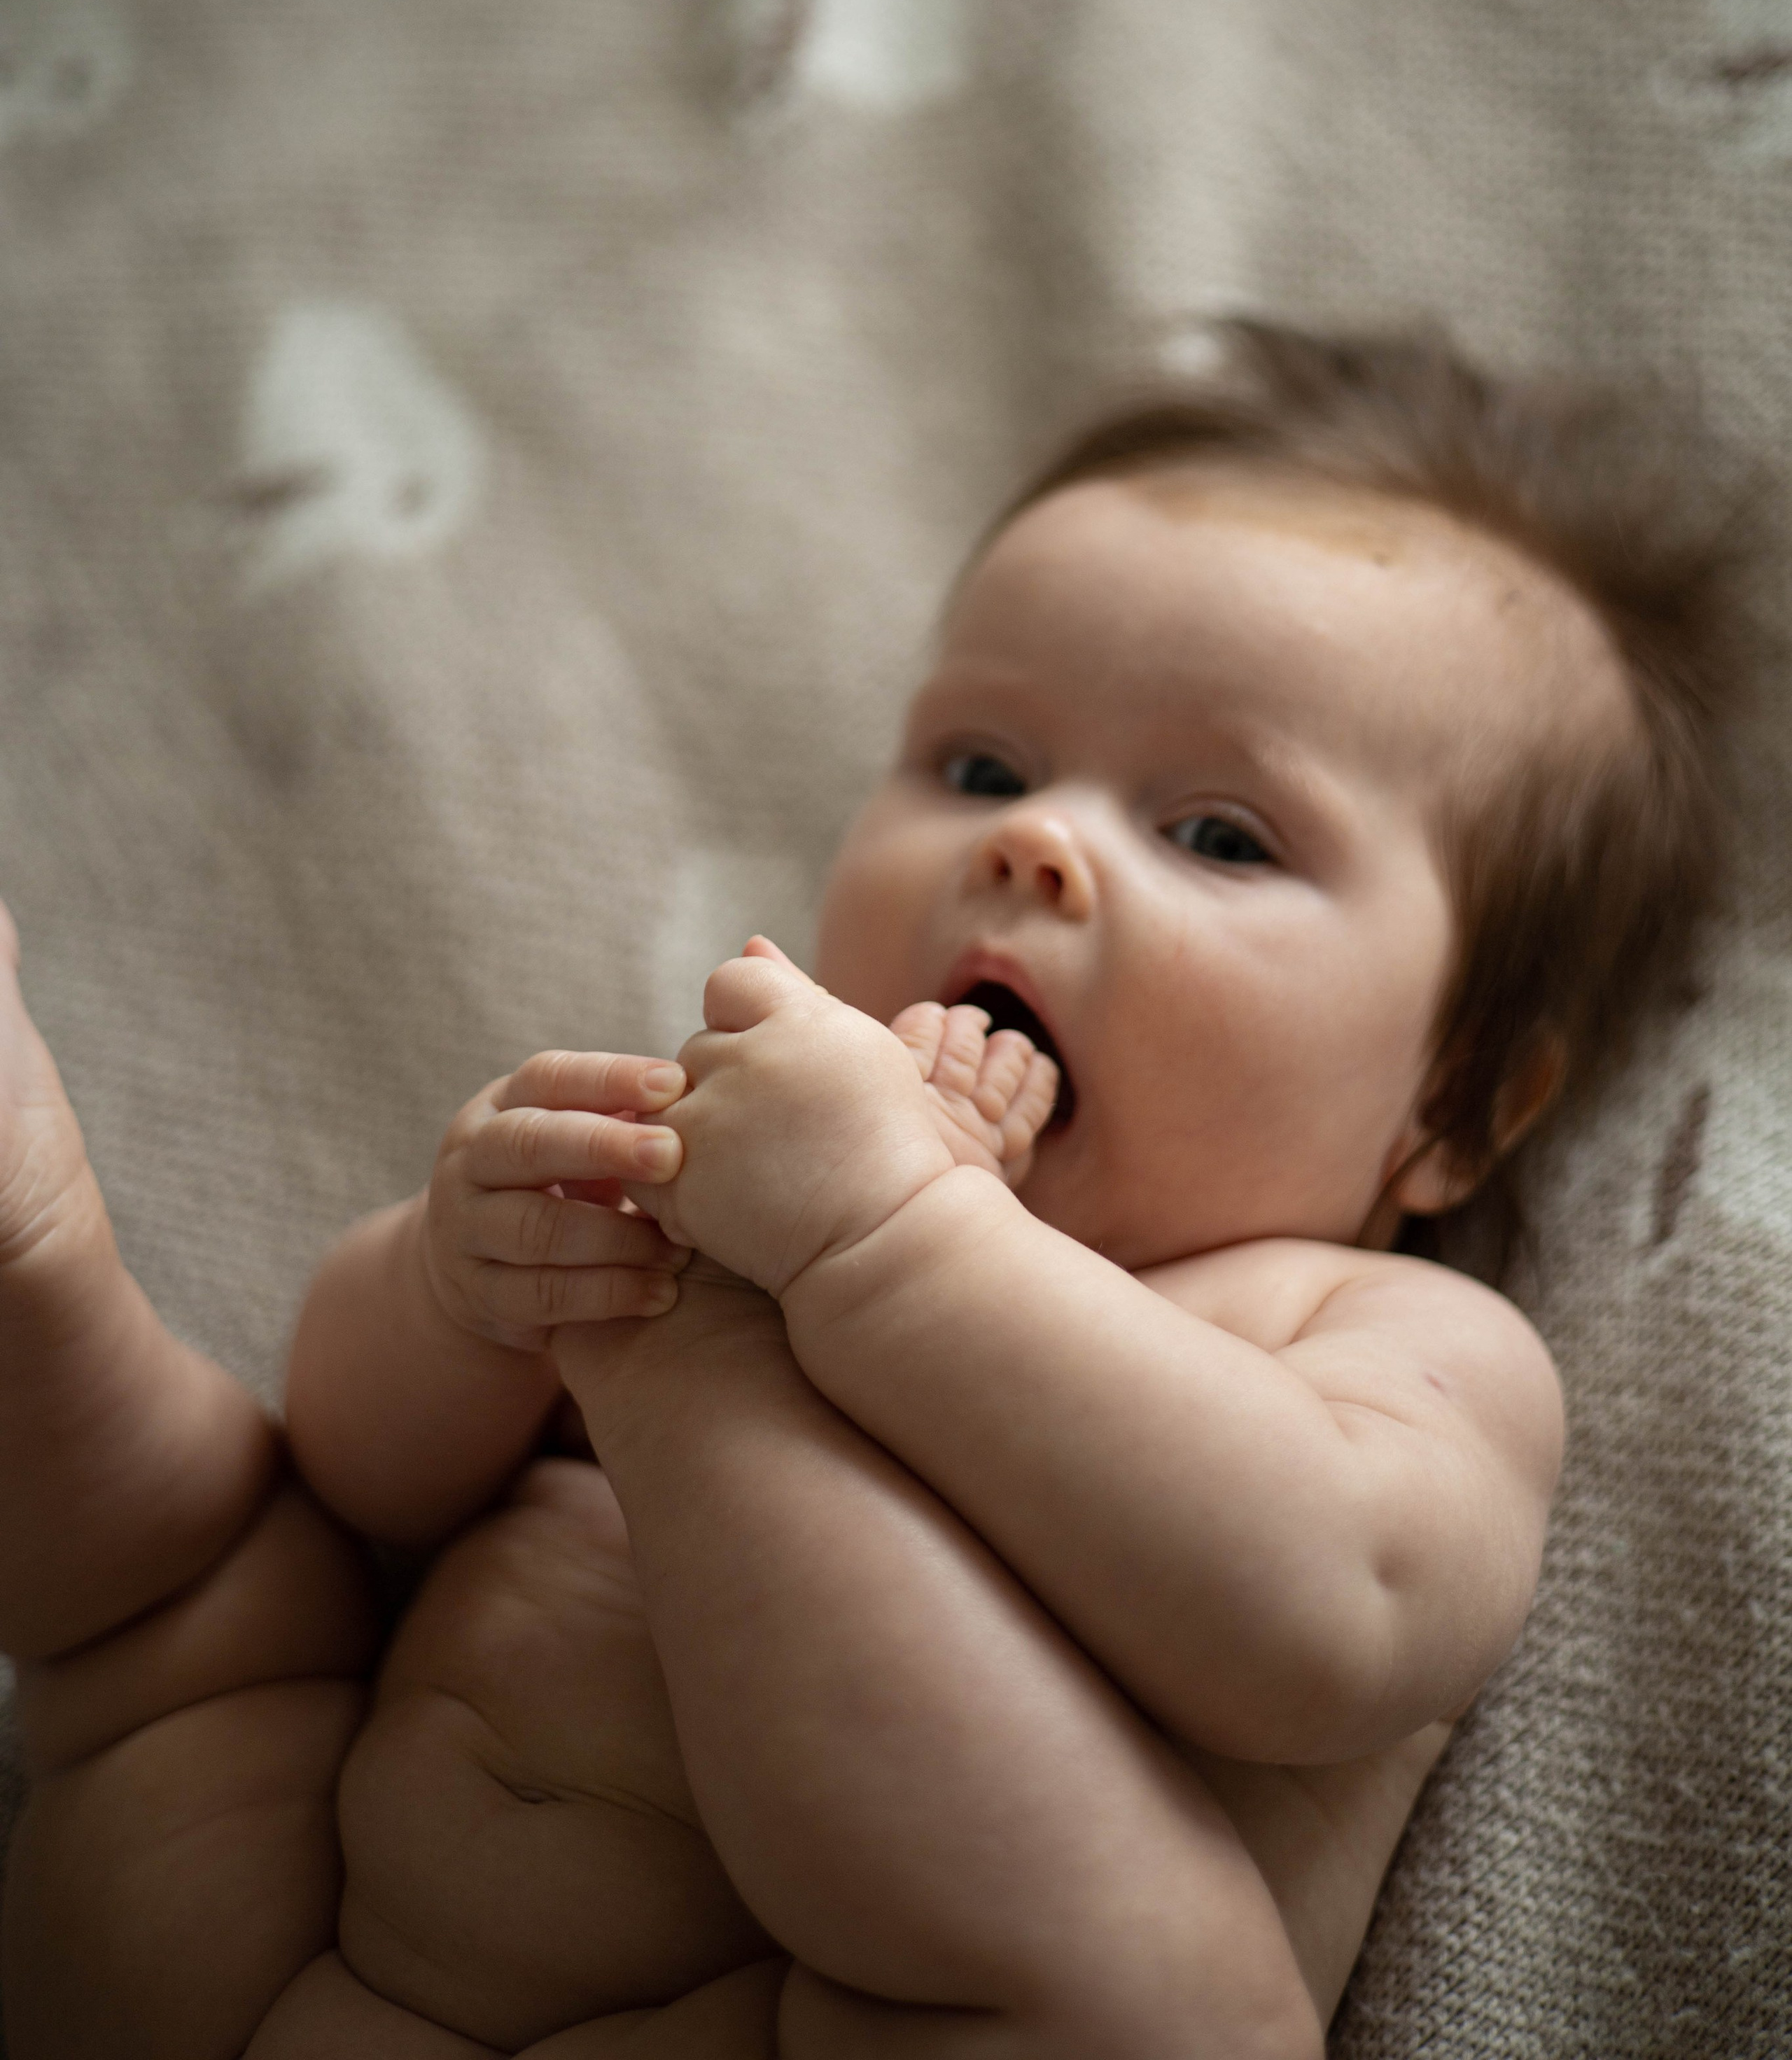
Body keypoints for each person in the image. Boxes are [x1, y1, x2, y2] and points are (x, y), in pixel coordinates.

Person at [0, 323, 1758, 2058]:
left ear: (1453, 1099)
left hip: (804, 2017)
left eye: (1219, 834)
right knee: (203, 1581)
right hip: (245, 1932)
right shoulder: (720, 1162)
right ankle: (35, 1259)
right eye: (982, 766)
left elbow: (1321, 1624)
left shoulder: (1369, 1333)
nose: (1033, 840)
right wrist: (463, 1289)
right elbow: (364, 1464)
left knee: (1151, 1994)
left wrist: (894, 1250)